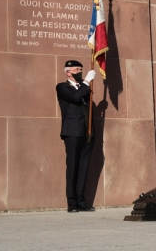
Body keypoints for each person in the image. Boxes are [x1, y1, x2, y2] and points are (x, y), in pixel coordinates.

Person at [56, 60, 96, 212]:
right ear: (68, 72)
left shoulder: (85, 88)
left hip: (88, 132)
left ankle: (81, 201)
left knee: (84, 168)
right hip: (72, 132)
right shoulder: (62, 87)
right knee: (73, 167)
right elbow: (74, 98)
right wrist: (86, 81)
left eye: (81, 69)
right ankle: (72, 203)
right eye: (77, 69)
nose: (80, 71)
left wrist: (85, 85)